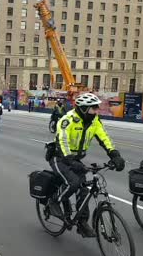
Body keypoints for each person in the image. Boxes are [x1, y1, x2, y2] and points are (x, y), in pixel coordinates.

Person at [49, 93, 125, 237]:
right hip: (59, 157)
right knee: (73, 182)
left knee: (83, 190)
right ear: (84, 109)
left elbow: (104, 138)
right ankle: (54, 201)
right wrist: (70, 160)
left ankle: (82, 222)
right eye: (94, 108)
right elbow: (62, 141)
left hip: (76, 159)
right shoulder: (67, 120)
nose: (97, 111)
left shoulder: (95, 121)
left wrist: (114, 154)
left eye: (97, 108)